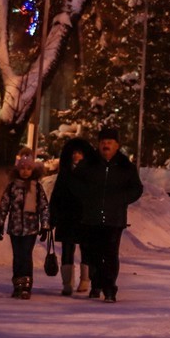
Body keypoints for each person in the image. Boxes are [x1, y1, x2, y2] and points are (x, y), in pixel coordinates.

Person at [69, 127, 143, 302]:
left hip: (114, 218)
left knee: (110, 254)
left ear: (117, 145)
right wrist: (86, 196)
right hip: (91, 217)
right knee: (92, 254)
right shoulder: (88, 164)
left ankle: (109, 288)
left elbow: (136, 189)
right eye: (103, 142)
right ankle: (96, 284)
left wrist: (122, 199)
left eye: (109, 143)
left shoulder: (126, 166)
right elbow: (73, 183)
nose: (106, 146)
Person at [0, 155, 50, 299]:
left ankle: (26, 285)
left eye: (29, 168)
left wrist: (45, 226)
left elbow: (44, 207)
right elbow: (4, 205)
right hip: (15, 228)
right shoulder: (12, 187)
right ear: (18, 170)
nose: (25, 171)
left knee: (26, 256)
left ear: (33, 170)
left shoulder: (37, 187)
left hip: (30, 228)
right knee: (18, 256)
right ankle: (17, 284)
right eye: (22, 168)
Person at [50, 137, 96, 296]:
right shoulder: (65, 173)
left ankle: (85, 280)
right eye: (74, 153)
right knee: (67, 249)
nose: (76, 155)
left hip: (85, 216)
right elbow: (56, 195)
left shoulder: (90, 174)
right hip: (67, 216)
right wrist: (53, 215)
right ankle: (67, 283)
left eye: (80, 153)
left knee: (86, 249)